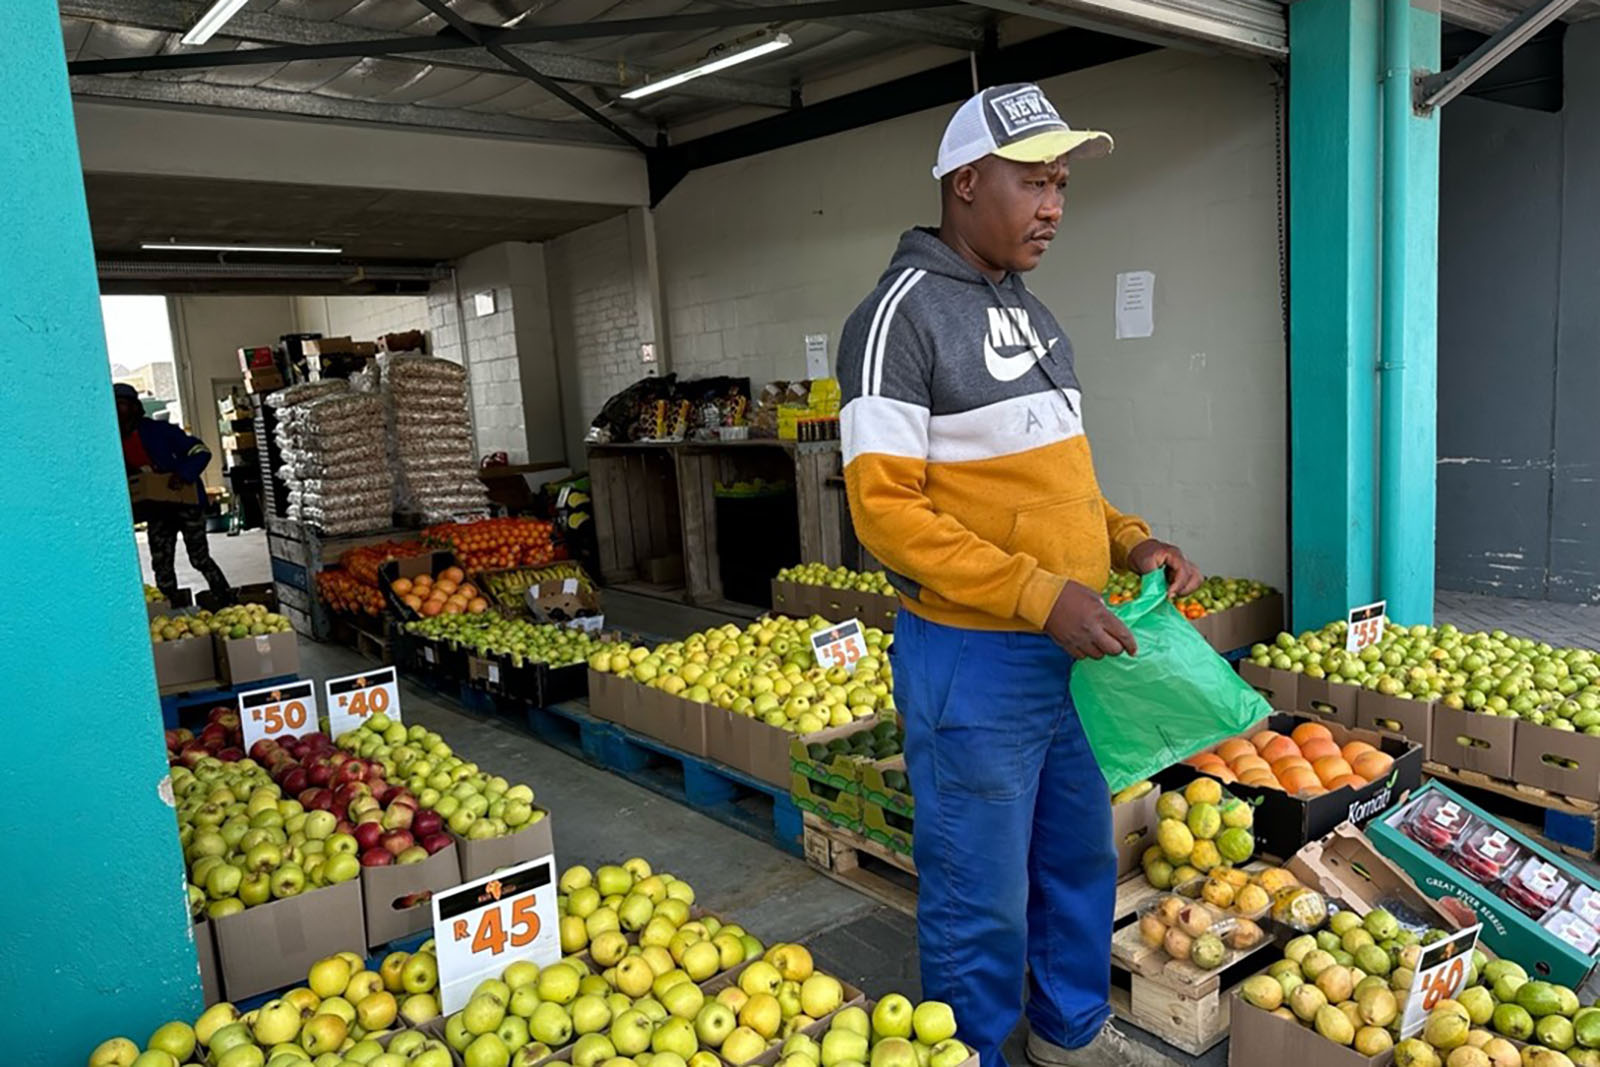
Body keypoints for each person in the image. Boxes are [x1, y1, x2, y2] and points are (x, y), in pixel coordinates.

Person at [838, 84, 1204, 1067]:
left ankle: (1067, 1031)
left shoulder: (1039, 320)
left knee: (1076, 858)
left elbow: (1061, 484)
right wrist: (1041, 593)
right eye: (1032, 181)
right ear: (965, 183)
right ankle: (975, 1051)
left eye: (1060, 183)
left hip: (1066, 655)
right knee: (978, 885)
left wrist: (1127, 540)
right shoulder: (895, 319)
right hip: (975, 656)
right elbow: (885, 510)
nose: (1053, 204)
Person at [116, 382, 233, 604]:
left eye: (121, 404)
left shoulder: (160, 431)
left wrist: (183, 473)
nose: (117, 410)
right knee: (161, 562)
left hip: (185, 504)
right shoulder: (114, 441)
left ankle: (224, 596)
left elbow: (201, 451)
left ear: (133, 407)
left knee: (199, 558)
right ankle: (169, 606)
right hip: (157, 509)